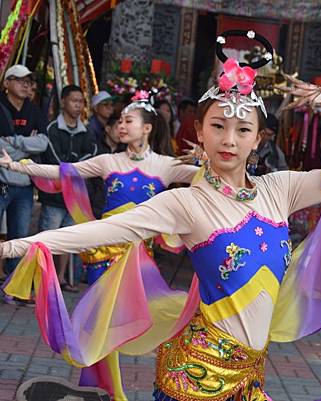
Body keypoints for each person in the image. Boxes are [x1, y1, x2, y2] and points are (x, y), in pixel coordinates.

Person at [0, 31, 321, 401]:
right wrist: (16, 245)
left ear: (258, 138)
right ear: (199, 131)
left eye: (242, 129)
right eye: (217, 126)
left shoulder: (280, 189)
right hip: (196, 379)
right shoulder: (187, 203)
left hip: (249, 377)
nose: (229, 140)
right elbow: (104, 230)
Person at [0, 92, 200, 400]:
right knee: (99, 326)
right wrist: (16, 167)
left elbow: (211, 178)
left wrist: (213, 156)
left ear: (147, 128)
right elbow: (63, 171)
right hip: (103, 255)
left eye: (128, 120)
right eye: (119, 121)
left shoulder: (166, 166)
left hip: (137, 259)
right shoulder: (109, 160)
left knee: (159, 315)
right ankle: (103, 391)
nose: (121, 125)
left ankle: (169, 384)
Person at [39, 85, 97, 293]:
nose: (78, 105)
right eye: (74, 100)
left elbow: (91, 155)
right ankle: (43, 278)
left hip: (76, 197)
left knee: (68, 238)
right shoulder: (52, 128)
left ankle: (61, 278)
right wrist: (72, 168)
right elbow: (53, 158)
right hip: (54, 195)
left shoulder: (87, 131)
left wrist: (70, 167)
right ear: (63, 101)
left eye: (81, 101)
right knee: (48, 237)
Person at [0, 64, 48, 286]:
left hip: (25, 185)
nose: (25, 84)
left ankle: (13, 285)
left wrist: (15, 142)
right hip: (1, 182)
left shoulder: (34, 110)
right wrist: (28, 144)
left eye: (28, 80)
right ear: (7, 83)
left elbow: (43, 142)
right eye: (19, 80)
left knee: (19, 237)